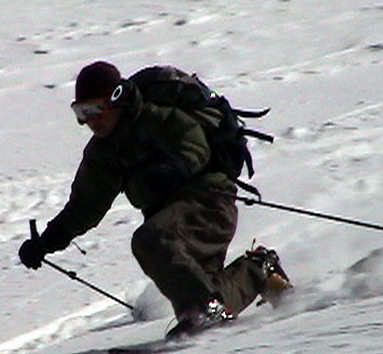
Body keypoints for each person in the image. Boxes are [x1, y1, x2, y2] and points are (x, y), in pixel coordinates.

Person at [19, 61, 289, 336]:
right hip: (176, 222)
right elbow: (84, 206)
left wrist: (172, 171)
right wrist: (45, 243)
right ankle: (259, 271)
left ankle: (204, 309)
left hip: (208, 205)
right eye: (82, 112)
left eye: (97, 109)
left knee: (150, 241)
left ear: (117, 98)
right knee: (210, 292)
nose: (92, 120)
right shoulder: (102, 154)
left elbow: (194, 145)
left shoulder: (154, 119)